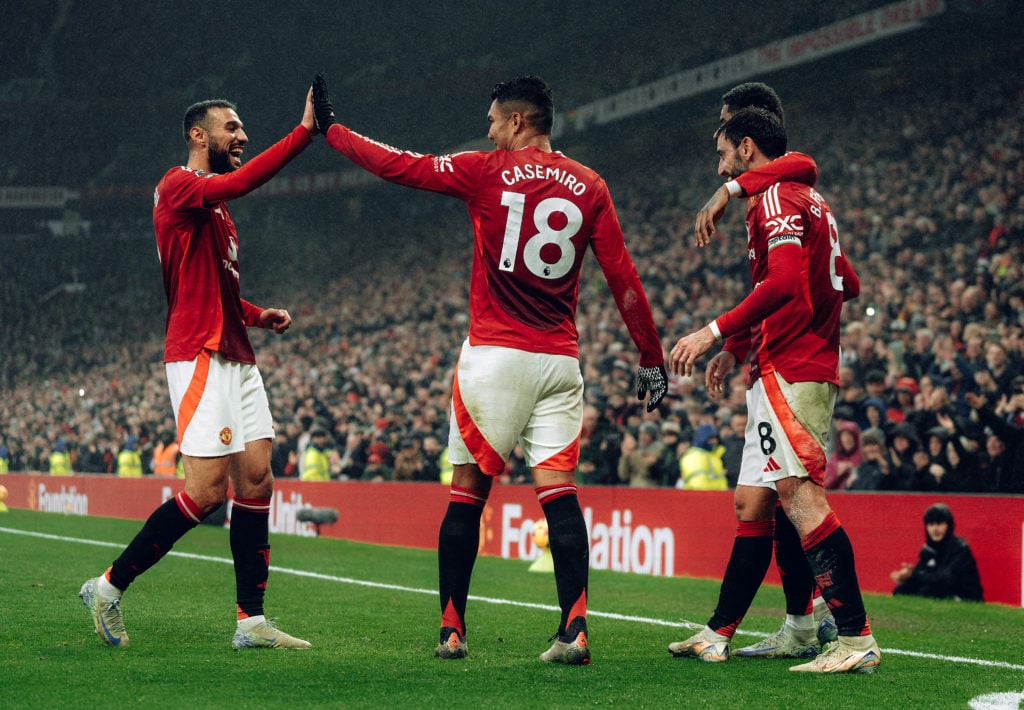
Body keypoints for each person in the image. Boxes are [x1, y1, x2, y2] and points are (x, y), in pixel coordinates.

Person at [312, 73, 666, 665]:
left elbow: (400, 165)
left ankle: (452, 629)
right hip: (559, 360)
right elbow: (622, 275)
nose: (489, 129)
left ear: (519, 122)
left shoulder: (486, 169)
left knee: (467, 494)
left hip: (495, 357)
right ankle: (574, 629)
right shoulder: (590, 185)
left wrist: (333, 130)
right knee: (560, 496)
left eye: (495, 120)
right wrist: (649, 356)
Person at [78, 89, 317, 650]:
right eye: (232, 128)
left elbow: (220, 293)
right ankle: (109, 587)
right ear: (198, 135)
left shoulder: (219, 215)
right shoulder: (179, 184)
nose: (242, 136)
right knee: (207, 492)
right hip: (199, 353)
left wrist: (261, 315)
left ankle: (251, 622)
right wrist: (303, 133)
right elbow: (239, 181)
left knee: (257, 481)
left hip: (236, 352)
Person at [668, 108, 880, 674]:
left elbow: (786, 282)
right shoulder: (807, 200)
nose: (718, 171)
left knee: (802, 499)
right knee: (760, 501)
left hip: (795, 365)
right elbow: (848, 282)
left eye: (721, 155)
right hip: (779, 362)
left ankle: (856, 639)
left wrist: (712, 330)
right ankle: (790, 627)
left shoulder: (777, 198)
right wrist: (737, 346)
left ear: (746, 147)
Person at [891, 503, 983, 601]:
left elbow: (946, 580)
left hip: (962, 595)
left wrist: (914, 574)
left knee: (927, 591)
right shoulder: (927, 549)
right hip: (940, 590)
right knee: (901, 590)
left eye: (939, 524)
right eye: (931, 525)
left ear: (949, 525)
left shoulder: (960, 548)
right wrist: (905, 576)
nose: (935, 529)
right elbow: (920, 574)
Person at [677, 423, 727, 490]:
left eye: (716, 438)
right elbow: (698, 484)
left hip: (717, 497)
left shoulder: (712, 456)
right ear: (702, 438)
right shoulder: (694, 457)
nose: (715, 441)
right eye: (711, 438)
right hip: (702, 497)